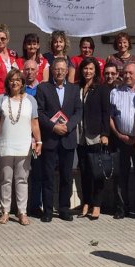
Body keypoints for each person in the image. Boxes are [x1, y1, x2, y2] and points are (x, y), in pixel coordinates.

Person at [0, 68, 42, 226]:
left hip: (24, 146)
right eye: (11, 80)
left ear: (22, 83)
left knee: (22, 180)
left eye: (18, 80)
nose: (14, 82)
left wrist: (39, 142)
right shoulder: (1, 99)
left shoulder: (30, 101)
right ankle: (5, 211)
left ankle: (22, 212)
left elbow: (35, 123)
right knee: (5, 179)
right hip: (5, 145)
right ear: (7, 82)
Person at [36, 57, 82, 222]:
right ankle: (47, 210)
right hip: (50, 139)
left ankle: (64, 208)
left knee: (66, 176)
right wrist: (53, 127)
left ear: (67, 71)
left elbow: (78, 112)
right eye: (57, 69)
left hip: (68, 139)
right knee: (48, 176)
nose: (60, 72)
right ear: (52, 70)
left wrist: (68, 127)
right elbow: (39, 113)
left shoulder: (74, 89)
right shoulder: (43, 88)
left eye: (63, 69)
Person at [110, 62, 135, 220]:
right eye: (125, 72)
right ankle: (121, 208)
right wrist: (119, 135)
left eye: (130, 73)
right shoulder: (115, 92)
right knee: (121, 175)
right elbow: (110, 117)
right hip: (121, 139)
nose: (127, 75)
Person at [76, 57, 110, 220]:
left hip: (95, 135)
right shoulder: (77, 87)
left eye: (90, 69)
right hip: (80, 135)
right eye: (85, 68)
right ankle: (86, 202)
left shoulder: (102, 89)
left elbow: (106, 113)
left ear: (96, 70)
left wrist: (105, 134)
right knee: (84, 172)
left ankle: (97, 205)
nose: (87, 71)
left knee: (97, 172)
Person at [23, 60, 43, 217]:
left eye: (32, 69)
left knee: (37, 173)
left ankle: (36, 205)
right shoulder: (18, 89)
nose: (29, 72)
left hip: (37, 138)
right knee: (20, 174)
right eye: (27, 69)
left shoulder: (43, 89)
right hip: (21, 137)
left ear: (37, 71)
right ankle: (20, 207)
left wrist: (37, 138)